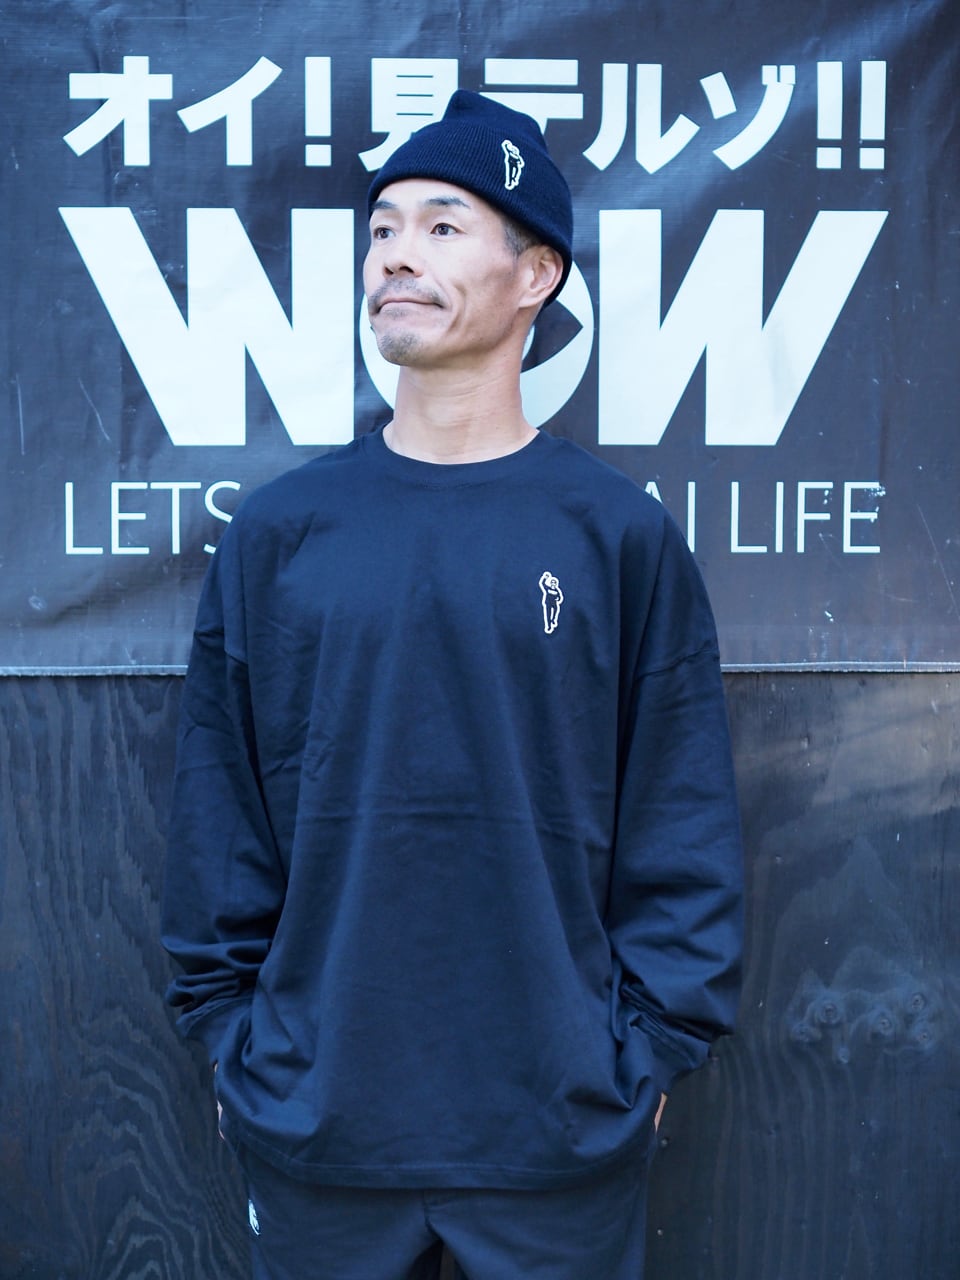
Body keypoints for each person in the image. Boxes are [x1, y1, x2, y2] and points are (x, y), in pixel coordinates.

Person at [162, 89, 743, 1280]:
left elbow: (680, 817)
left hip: (557, 1129)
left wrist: (642, 1055)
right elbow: (220, 819)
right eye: (381, 229)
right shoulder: (281, 533)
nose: (395, 255)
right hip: (319, 1122)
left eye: (440, 225)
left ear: (536, 274)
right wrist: (232, 1041)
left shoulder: (616, 536)